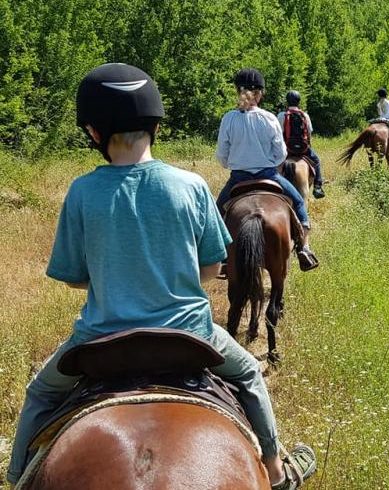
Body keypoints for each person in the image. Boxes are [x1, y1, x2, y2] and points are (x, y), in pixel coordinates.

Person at [5, 63, 316, 490]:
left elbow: (74, 277)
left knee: (39, 394)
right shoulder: (190, 185)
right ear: (155, 125)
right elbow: (211, 268)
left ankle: (16, 476)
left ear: (94, 133)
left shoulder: (80, 191)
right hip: (192, 335)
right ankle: (277, 469)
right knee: (247, 374)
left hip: (99, 341)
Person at [216, 68, 318, 271]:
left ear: (238, 91)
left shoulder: (229, 119)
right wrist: (267, 162)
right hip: (269, 174)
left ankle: (221, 255)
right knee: (298, 201)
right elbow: (281, 153)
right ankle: (304, 248)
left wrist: (232, 164)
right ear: (260, 93)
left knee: (217, 211)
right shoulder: (269, 118)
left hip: (238, 178)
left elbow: (222, 154)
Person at [277, 90, 325, 199]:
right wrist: (308, 147)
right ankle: (318, 186)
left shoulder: (281, 115)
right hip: (303, 149)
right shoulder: (305, 115)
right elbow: (309, 133)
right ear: (299, 101)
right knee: (316, 161)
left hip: (286, 149)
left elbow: (278, 134)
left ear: (287, 102)